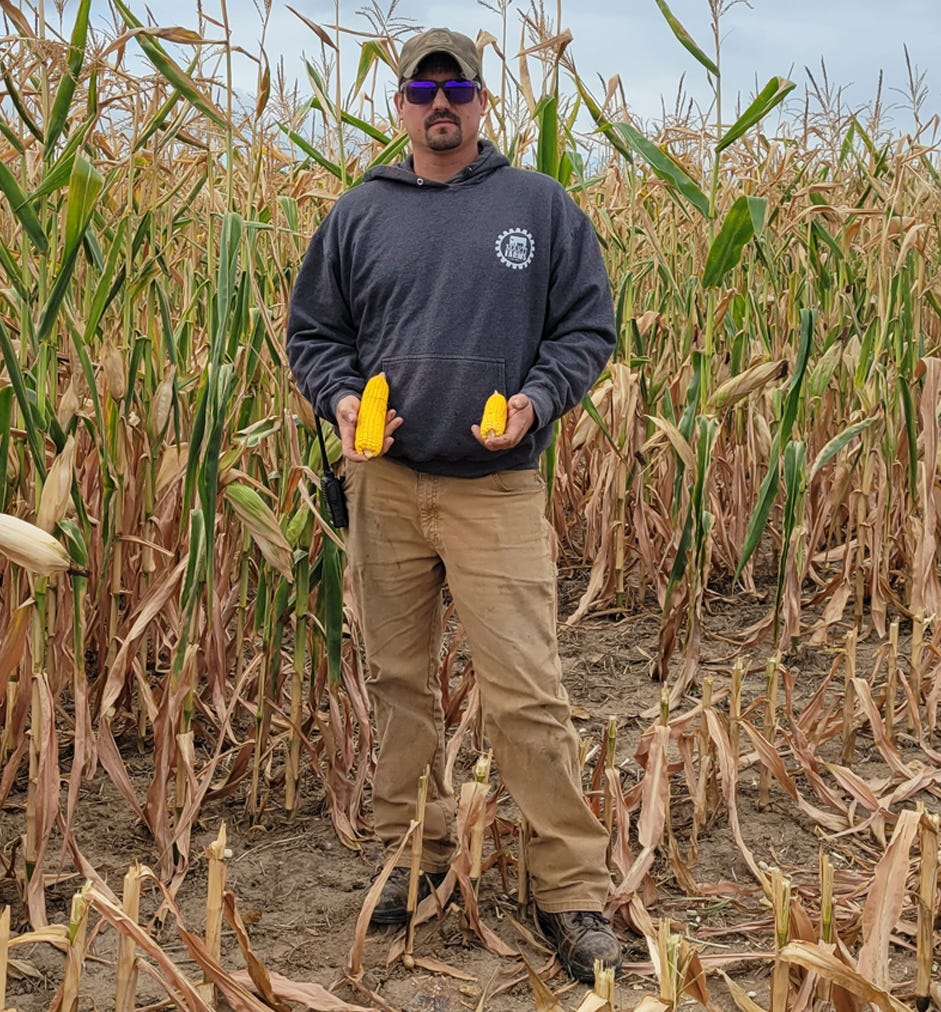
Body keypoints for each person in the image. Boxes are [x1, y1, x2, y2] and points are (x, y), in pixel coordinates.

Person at [284, 26, 622, 984]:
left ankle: (571, 889)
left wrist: (535, 401)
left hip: (495, 492)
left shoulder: (539, 207)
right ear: (399, 104)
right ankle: (414, 858)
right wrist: (346, 400)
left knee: (526, 691)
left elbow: (586, 328)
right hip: (385, 488)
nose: (442, 104)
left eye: (458, 89)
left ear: (482, 102)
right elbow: (314, 335)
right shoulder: (359, 214)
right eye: (424, 89)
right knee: (397, 686)